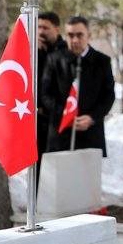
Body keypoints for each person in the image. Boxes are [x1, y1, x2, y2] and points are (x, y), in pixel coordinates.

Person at [42, 16, 115, 155]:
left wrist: (92, 117)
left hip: (90, 136)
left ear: (89, 36)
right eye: (70, 35)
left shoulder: (102, 62)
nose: (75, 40)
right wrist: (64, 115)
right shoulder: (54, 60)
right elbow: (46, 95)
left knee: (87, 176)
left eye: (79, 35)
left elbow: (108, 96)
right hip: (60, 136)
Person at [36, 12, 68, 162]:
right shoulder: (35, 52)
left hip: (57, 120)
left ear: (56, 29)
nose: (41, 31)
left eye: (45, 28)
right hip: (37, 121)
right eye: (39, 27)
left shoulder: (66, 53)